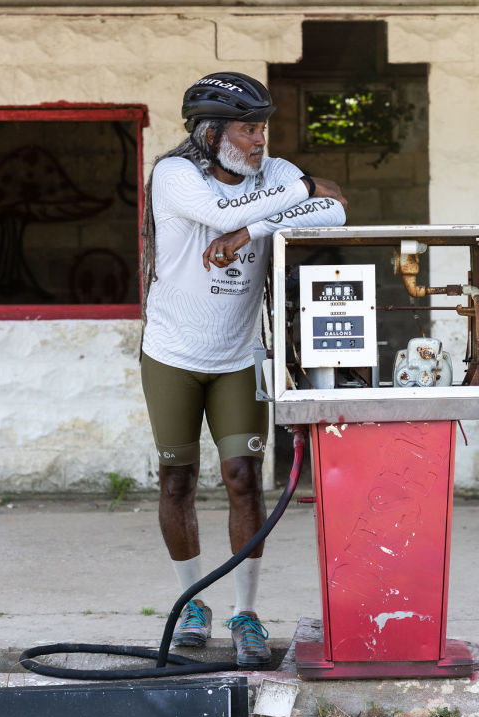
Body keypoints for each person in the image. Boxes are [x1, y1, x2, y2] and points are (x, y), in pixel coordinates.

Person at [139, 71, 347, 667]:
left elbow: (333, 210)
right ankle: (190, 604)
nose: (259, 139)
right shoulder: (175, 175)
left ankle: (245, 612)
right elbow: (216, 208)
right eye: (247, 127)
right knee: (175, 479)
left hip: (237, 357)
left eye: (262, 127)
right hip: (173, 355)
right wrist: (300, 189)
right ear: (209, 133)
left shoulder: (274, 173)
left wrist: (252, 230)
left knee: (242, 479)